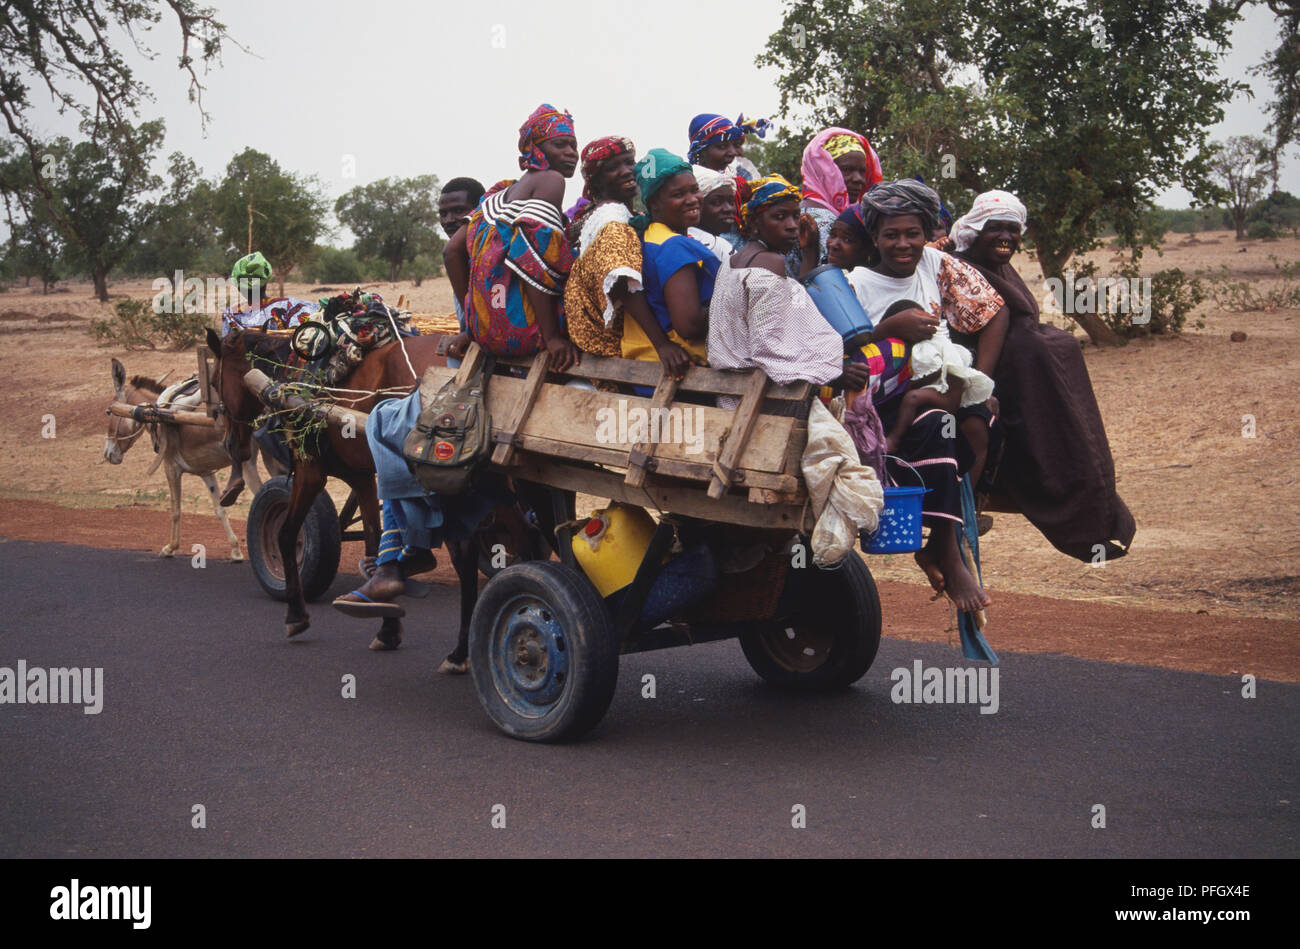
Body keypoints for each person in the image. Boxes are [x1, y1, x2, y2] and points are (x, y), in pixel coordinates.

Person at [842, 180, 1008, 612]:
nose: (903, 244)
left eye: (912, 233)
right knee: (938, 426)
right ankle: (950, 556)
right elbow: (832, 348)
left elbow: (994, 309)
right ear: (874, 238)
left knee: (977, 422)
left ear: (926, 233)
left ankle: (940, 540)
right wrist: (887, 331)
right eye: (891, 235)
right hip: (886, 397)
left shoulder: (935, 263)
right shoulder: (855, 283)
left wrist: (979, 381)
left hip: (940, 383)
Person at [951, 190, 1136, 561]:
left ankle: (1094, 501)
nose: (1006, 237)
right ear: (974, 231)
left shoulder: (1000, 267)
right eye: (995, 228)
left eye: (1012, 229)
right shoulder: (959, 267)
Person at [708, 175, 868, 404]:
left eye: (795, 216)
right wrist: (836, 374)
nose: (792, 226)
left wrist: (809, 251)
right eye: (779, 217)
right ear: (754, 223)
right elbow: (771, 348)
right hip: (760, 401)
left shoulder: (735, 260)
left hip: (731, 396)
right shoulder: (771, 262)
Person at [444, 103, 580, 371]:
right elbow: (530, 257)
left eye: (573, 145)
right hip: (529, 334)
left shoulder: (500, 195)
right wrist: (552, 337)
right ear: (537, 149)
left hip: (488, 336)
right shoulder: (550, 180)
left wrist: (474, 324)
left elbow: (451, 252)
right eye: (560, 145)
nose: (571, 153)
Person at [563, 136, 691, 379]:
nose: (626, 171)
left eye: (629, 162)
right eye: (613, 168)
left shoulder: (612, 214)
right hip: (610, 345)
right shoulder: (614, 220)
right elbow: (622, 282)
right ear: (596, 181)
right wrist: (661, 345)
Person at [621, 148, 717, 369]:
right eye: (678, 195)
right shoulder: (673, 246)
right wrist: (732, 305)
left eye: (695, 190)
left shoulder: (649, 238)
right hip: (682, 372)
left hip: (645, 364)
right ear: (653, 204)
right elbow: (689, 325)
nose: (692, 200)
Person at [790, 127, 884, 275]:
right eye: (847, 169)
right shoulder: (826, 222)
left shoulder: (798, 211)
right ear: (822, 170)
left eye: (862, 171)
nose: (858, 179)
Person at [436, 177, 485, 369]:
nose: (448, 220)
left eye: (458, 211)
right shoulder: (462, 259)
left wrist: (470, 333)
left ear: (478, 211)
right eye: (443, 213)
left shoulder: (490, 258)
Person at [219, 251, 318, 337]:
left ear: (239, 287)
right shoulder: (290, 306)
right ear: (265, 282)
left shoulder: (231, 316)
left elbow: (226, 350)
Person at [686, 113, 770, 181]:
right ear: (701, 153)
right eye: (722, 146)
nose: (733, 152)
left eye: (736, 145)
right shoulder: (690, 185)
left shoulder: (743, 177)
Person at [688, 166, 743, 260]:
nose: (728, 209)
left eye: (731, 202)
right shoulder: (718, 248)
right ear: (695, 205)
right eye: (716, 202)